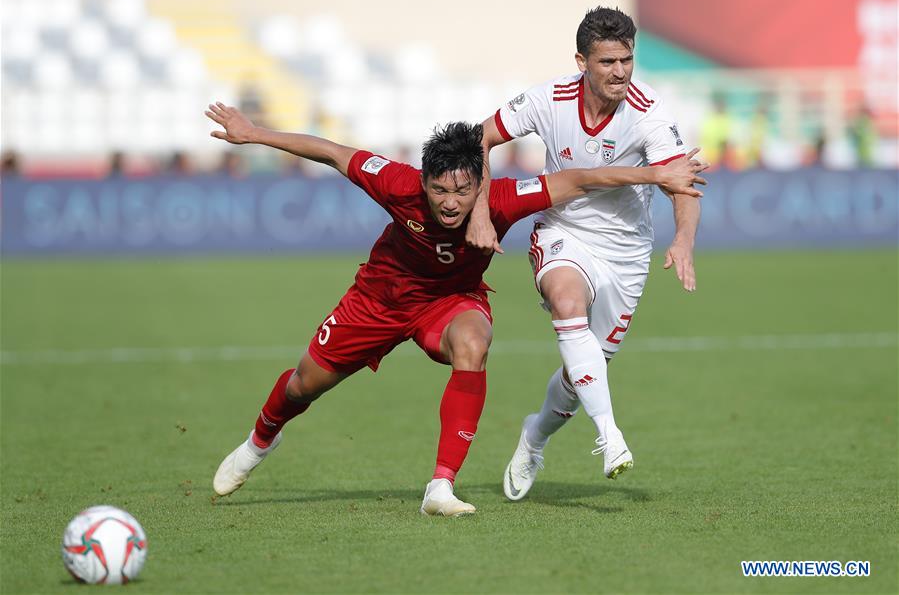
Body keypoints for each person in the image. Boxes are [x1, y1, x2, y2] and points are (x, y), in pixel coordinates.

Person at [204, 101, 706, 516]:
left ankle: (440, 486)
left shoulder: (504, 199)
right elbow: (333, 152)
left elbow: (579, 179)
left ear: (478, 185)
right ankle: (259, 442)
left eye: (463, 190)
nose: (450, 202)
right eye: (439, 189)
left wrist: (657, 173)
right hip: (379, 300)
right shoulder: (397, 183)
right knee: (303, 385)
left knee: (474, 342)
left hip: (450, 302)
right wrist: (253, 134)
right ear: (423, 181)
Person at [463, 6, 704, 500]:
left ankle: (535, 434)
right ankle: (610, 437)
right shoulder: (548, 99)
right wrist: (481, 211)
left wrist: (683, 240)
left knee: (579, 377)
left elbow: (681, 183)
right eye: (607, 62)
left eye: (627, 59)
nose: (620, 72)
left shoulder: (649, 112)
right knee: (567, 304)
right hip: (563, 231)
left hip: (626, 254)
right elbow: (480, 136)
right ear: (582, 62)